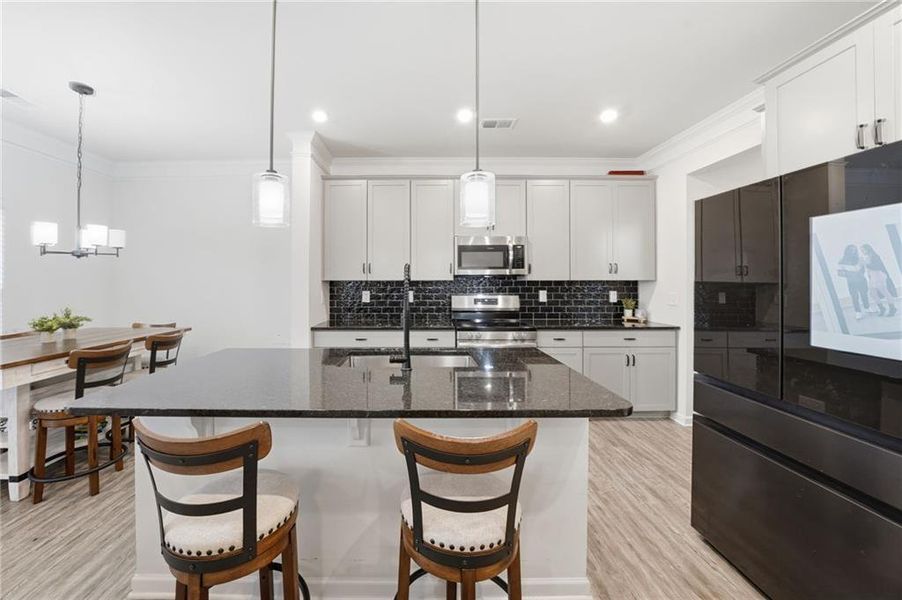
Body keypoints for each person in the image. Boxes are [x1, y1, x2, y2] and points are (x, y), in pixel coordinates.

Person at [860, 244, 898, 317]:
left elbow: (876, 266)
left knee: (884, 291)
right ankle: (882, 308)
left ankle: (892, 307)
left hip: (878, 275)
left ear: (868, 249)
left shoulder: (874, 256)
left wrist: (865, 264)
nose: (862, 251)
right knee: (873, 293)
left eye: (863, 249)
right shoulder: (867, 257)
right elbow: (867, 268)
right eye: (861, 250)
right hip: (872, 276)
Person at [837, 245, 869, 319]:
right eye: (851, 250)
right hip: (851, 282)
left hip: (862, 280)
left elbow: (863, 269)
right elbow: (839, 273)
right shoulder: (842, 261)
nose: (853, 252)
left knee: (864, 294)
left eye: (854, 250)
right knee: (855, 297)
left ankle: (867, 308)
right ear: (847, 251)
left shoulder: (859, 259)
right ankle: (858, 312)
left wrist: (860, 273)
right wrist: (850, 274)